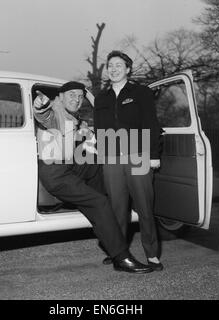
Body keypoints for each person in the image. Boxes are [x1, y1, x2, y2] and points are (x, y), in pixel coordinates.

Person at [33, 81, 153, 273]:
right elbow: (44, 115)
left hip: (71, 166)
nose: (77, 99)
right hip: (56, 174)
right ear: (61, 97)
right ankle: (121, 258)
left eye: (80, 96)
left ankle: (110, 229)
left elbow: (89, 125)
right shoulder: (55, 112)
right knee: (99, 203)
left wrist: (87, 127)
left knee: (98, 166)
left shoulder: (73, 117)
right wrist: (41, 105)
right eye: (72, 95)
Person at [94, 51, 164, 271]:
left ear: (128, 69)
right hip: (112, 157)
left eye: (118, 65)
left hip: (138, 155)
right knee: (116, 208)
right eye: (110, 65)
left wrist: (153, 156)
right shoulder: (101, 98)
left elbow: (151, 124)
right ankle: (118, 251)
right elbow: (99, 129)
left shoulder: (141, 92)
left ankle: (152, 254)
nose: (113, 69)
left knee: (144, 206)